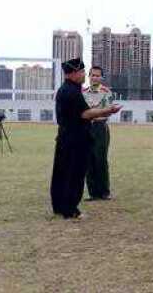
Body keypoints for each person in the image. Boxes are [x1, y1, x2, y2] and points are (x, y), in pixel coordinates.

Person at [50, 58, 121, 219]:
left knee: (63, 172)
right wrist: (108, 110)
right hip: (76, 138)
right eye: (82, 72)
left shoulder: (65, 89)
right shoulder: (74, 92)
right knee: (75, 173)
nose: (84, 75)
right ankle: (70, 209)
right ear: (74, 73)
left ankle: (60, 206)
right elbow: (86, 113)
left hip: (66, 136)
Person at [83, 66, 114, 201]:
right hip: (86, 128)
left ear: (101, 78)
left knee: (101, 160)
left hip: (101, 127)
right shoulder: (83, 92)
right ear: (89, 76)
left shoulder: (106, 92)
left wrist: (95, 115)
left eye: (97, 75)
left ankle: (104, 192)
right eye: (92, 75)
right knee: (89, 161)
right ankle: (93, 193)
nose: (94, 78)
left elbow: (108, 111)